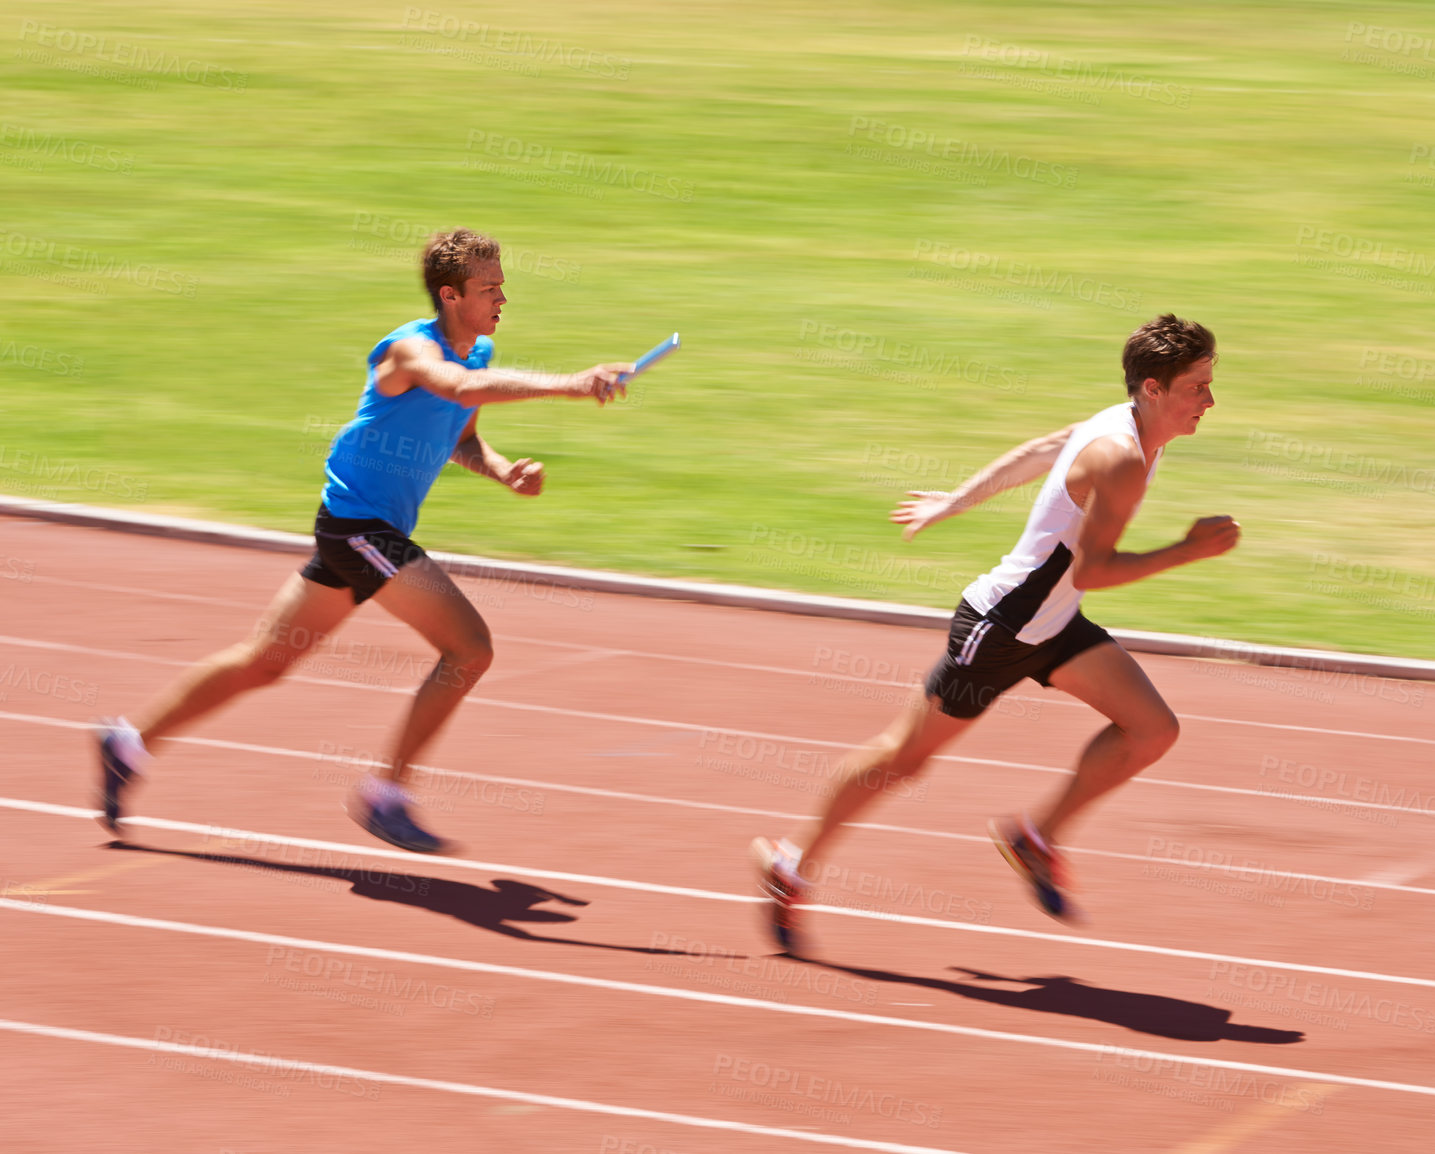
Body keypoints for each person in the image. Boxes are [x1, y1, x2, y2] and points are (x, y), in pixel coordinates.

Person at [95, 228, 634, 853]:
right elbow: (454, 391)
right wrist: (571, 383)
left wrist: (503, 470)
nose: (503, 299)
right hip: (360, 528)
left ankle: (126, 741)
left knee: (265, 662)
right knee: (470, 649)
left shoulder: (478, 355)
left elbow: (460, 433)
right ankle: (387, 796)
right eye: (491, 289)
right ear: (451, 294)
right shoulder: (410, 351)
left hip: (362, 526)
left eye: (503, 287)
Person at [753, 314, 1240, 950]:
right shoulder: (1120, 454)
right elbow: (1094, 566)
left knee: (1153, 729)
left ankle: (1034, 837)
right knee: (905, 759)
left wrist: (952, 500)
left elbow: (1042, 451)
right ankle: (789, 864)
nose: (1210, 399)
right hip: (1001, 627)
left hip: (1053, 625)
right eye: (1198, 387)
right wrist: (1186, 550)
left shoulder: (1130, 426)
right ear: (1153, 388)